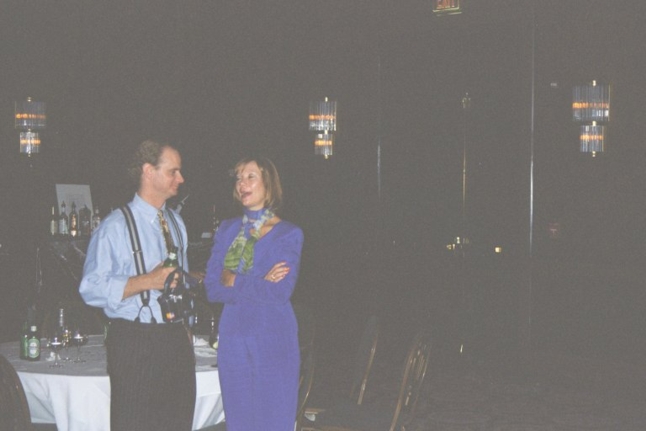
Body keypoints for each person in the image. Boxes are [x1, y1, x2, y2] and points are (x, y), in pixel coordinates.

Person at [79, 139, 196, 431]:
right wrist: (147, 281)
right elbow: (91, 288)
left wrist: (186, 325)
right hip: (135, 341)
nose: (181, 178)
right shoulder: (115, 226)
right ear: (148, 171)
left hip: (176, 339)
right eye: (173, 171)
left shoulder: (177, 223)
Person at [204, 156, 303, 431]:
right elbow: (212, 288)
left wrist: (234, 279)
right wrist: (260, 282)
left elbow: (279, 292)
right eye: (238, 178)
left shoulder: (288, 234)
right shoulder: (227, 230)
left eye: (250, 177)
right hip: (233, 338)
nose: (241, 183)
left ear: (268, 184)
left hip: (273, 337)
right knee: (239, 423)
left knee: (274, 422)